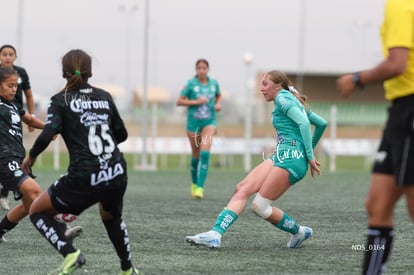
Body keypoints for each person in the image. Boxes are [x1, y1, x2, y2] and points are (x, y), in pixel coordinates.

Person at [21, 49, 140, 275]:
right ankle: (128, 269)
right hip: (115, 171)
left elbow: (47, 135)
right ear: (90, 72)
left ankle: (71, 254)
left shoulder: (60, 99)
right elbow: (122, 134)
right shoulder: (104, 96)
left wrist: (31, 157)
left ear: (63, 73)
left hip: (84, 175)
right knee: (111, 217)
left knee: (37, 210)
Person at [186, 70, 327, 249]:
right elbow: (322, 123)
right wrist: (308, 152)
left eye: (265, 84)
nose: (261, 89)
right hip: (281, 156)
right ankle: (215, 234)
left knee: (260, 206)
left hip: (291, 159)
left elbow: (305, 124)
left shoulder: (283, 99)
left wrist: (309, 155)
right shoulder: (288, 99)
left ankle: (299, 231)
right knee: (242, 188)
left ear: (277, 86)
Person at [336, 1, 414, 274]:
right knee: (377, 205)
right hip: (400, 113)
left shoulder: (401, 5)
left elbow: (397, 64)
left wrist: (357, 78)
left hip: (410, 111)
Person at [176, 58, 222, 199]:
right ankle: (194, 184)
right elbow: (179, 101)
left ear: (208, 69)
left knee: (204, 153)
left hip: (209, 122)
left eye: (204, 68)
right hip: (193, 124)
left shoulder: (213, 84)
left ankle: (200, 188)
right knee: (196, 155)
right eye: (199, 68)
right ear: (196, 70)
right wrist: (196, 101)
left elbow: (219, 95)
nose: (202, 70)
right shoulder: (190, 84)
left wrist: (218, 104)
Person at [0, 44, 36, 211]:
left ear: (15, 57)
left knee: (14, 151)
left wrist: (33, 118)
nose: (8, 57)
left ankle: (7, 193)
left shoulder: (21, 72)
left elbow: (28, 94)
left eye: (11, 54)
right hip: (5, 117)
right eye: (4, 54)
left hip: (15, 115)